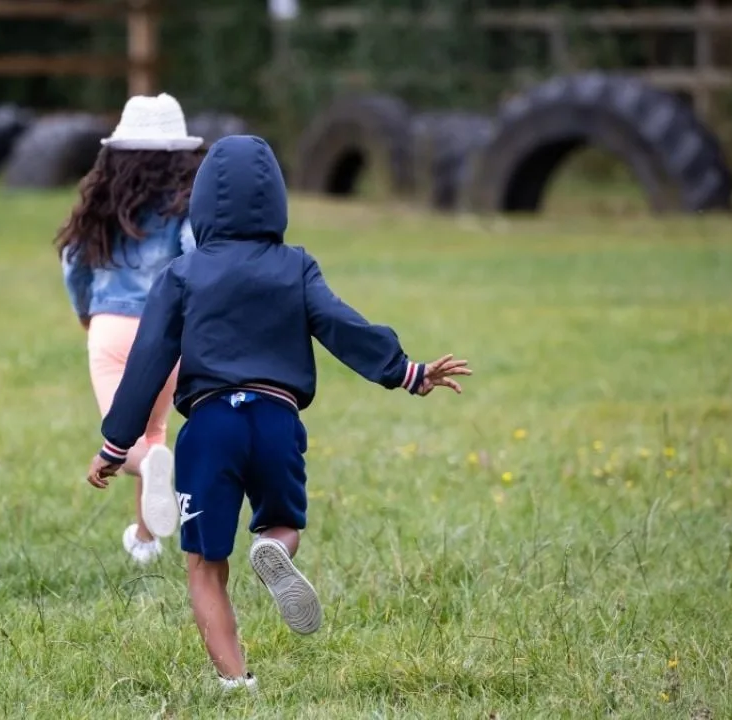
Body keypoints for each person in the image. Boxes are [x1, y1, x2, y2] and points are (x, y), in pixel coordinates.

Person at [84, 135, 472, 690]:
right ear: (276, 201)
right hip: (276, 420)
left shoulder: (183, 274)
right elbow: (341, 325)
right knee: (283, 521)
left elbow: (147, 363)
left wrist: (116, 444)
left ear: (202, 204)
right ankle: (272, 548)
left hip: (211, 427)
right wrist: (406, 371)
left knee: (205, 566)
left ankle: (236, 682)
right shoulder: (296, 267)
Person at [56, 92, 207, 565]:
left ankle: (152, 509)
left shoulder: (103, 201)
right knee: (153, 432)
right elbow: (195, 253)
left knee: (127, 443)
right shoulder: (187, 204)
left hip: (111, 329)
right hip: (168, 336)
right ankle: (145, 541)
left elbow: (73, 261)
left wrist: (85, 311)